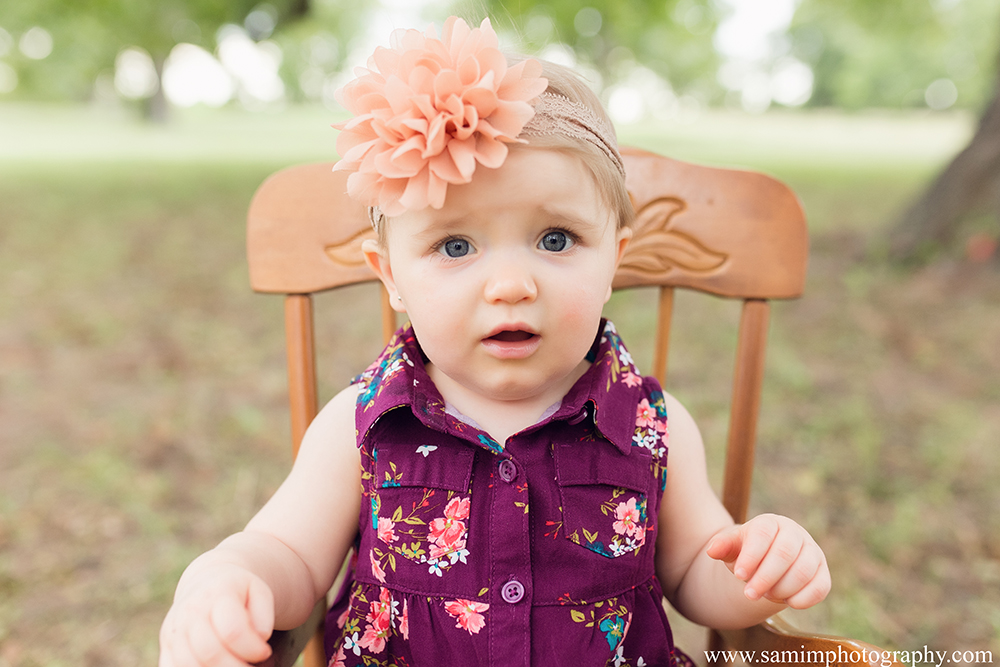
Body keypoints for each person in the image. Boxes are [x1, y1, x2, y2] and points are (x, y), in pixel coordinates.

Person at [158, 16, 830, 667]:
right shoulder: (360, 425)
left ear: (613, 261)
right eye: (456, 245)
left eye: (556, 239)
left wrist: (753, 571)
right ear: (391, 274)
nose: (511, 284)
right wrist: (227, 576)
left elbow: (693, 571)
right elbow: (289, 553)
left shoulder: (654, 428)